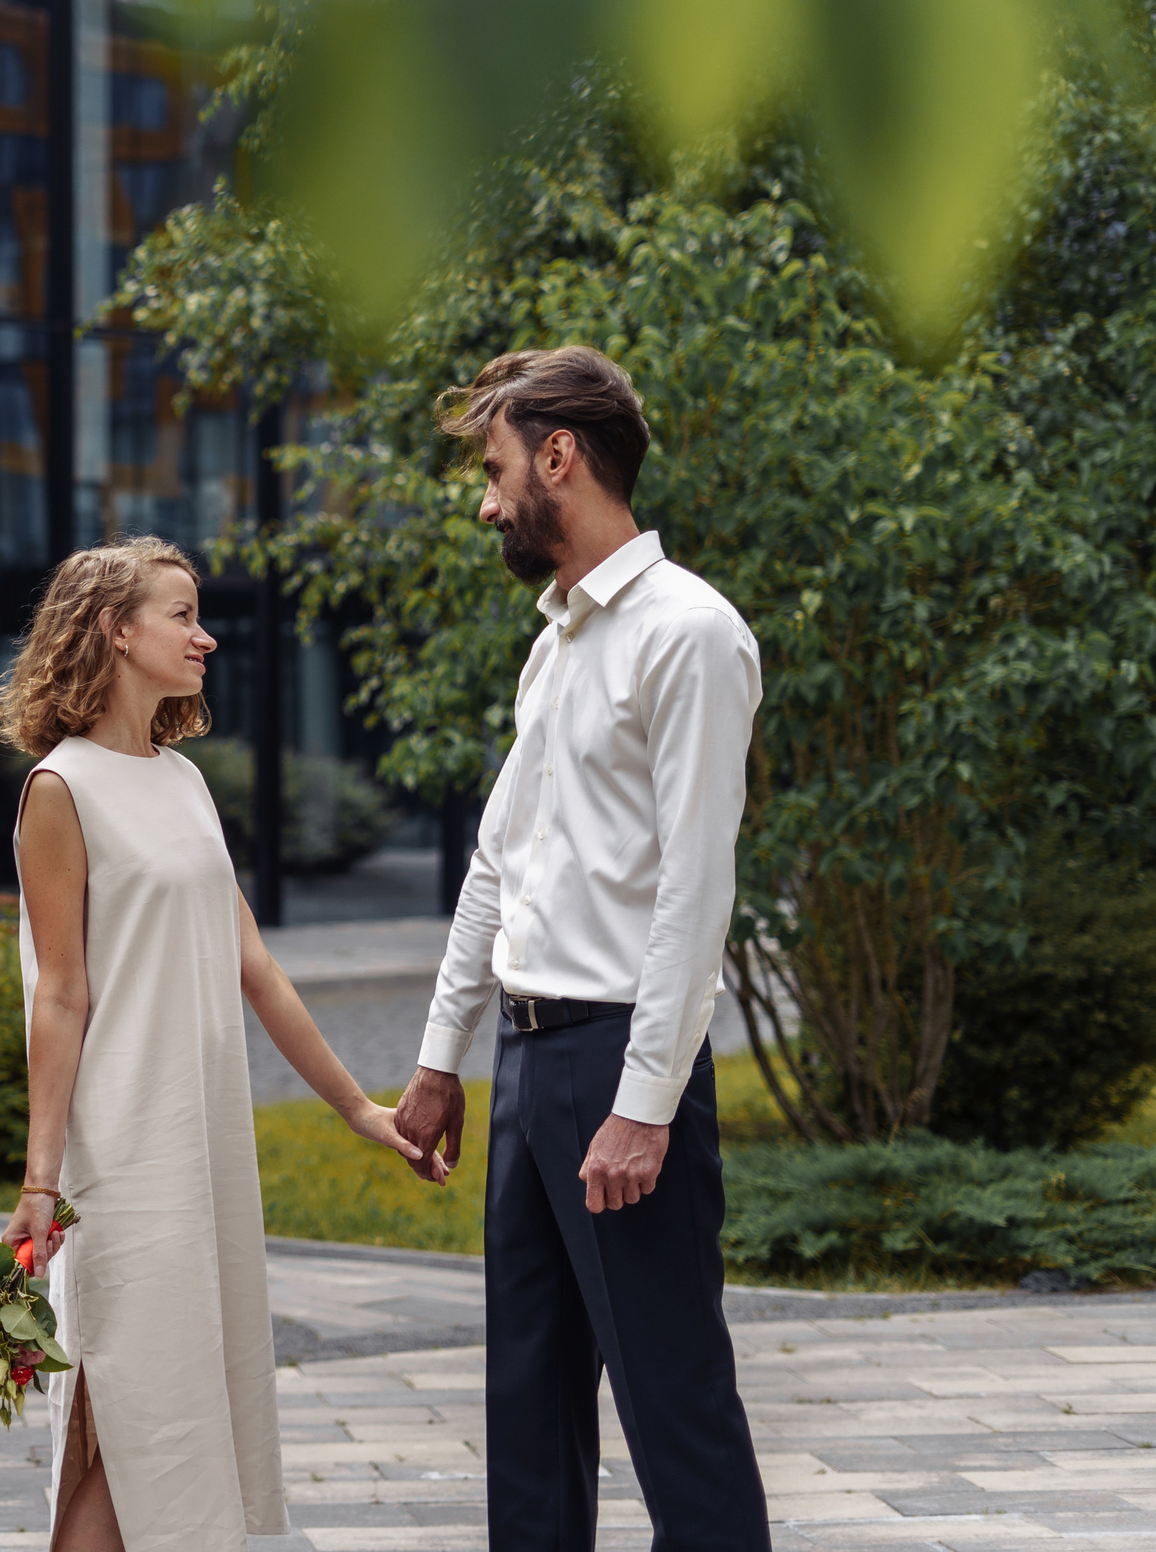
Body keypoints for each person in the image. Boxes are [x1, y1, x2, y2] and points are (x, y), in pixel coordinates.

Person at [392, 346, 770, 1550]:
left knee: (675, 1408)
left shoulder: (690, 634)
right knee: (527, 1415)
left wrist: (645, 1101)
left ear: (562, 455)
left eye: (498, 468)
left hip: (618, 1064)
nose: (489, 499)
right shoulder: (553, 646)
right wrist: (442, 1056)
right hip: (525, 1064)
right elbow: (500, 862)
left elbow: (693, 892)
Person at [0, 535, 426, 1552]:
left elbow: (256, 968)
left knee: (179, 1407)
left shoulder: (182, 781)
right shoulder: (60, 789)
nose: (206, 634)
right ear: (114, 627)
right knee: (127, 1398)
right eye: (181, 613)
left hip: (203, 1137)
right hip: (125, 1147)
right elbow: (58, 994)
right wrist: (40, 1180)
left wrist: (358, 1106)